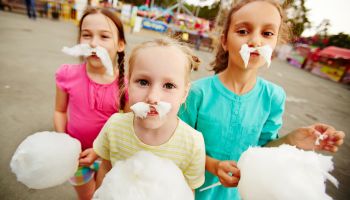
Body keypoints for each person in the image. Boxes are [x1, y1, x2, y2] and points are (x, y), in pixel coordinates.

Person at [178, 0, 345, 199]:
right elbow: (180, 146)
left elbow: (264, 150)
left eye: (267, 34)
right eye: (243, 31)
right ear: (224, 41)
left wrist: (292, 140)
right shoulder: (198, 92)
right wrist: (212, 165)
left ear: (275, 43)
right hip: (191, 191)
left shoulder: (274, 97)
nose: (255, 41)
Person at [93, 38, 206, 192]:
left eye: (168, 85)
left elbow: (188, 191)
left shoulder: (193, 143)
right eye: (143, 82)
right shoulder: (114, 126)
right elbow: (105, 171)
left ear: (184, 94)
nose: (153, 97)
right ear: (128, 84)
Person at [54, 7, 127, 200]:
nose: (93, 43)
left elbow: (126, 127)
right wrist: (63, 142)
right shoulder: (66, 74)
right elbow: (60, 111)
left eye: (104, 36)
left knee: (103, 196)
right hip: (76, 158)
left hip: (108, 158)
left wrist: (98, 150)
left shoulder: (127, 86)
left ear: (120, 44)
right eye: (86, 35)